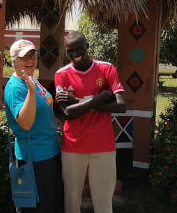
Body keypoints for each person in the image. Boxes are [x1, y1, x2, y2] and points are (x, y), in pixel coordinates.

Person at [54, 31, 126, 213]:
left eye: (79, 48)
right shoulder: (61, 74)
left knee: (104, 202)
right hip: (72, 146)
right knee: (71, 201)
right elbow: (67, 113)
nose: (75, 53)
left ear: (87, 46)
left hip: (103, 145)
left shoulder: (106, 68)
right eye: (70, 50)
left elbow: (121, 106)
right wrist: (99, 98)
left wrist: (77, 101)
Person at [3, 39, 64, 213]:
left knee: (52, 204)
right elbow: (26, 123)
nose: (30, 60)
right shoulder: (16, 87)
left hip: (49, 152)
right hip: (35, 157)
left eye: (33, 55)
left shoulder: (31, 79)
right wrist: (30, 92)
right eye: (24, 57)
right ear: (13, 61)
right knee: (40, 207)